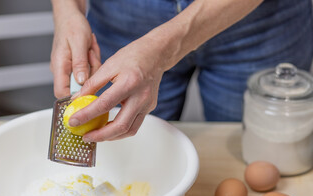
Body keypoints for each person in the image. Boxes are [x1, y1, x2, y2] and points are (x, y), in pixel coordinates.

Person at [50, 0, 313, 142]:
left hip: (257, 22)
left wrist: (162, 49)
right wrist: (67, 11)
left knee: (249, 157)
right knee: (129, 157)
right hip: (124, 17)